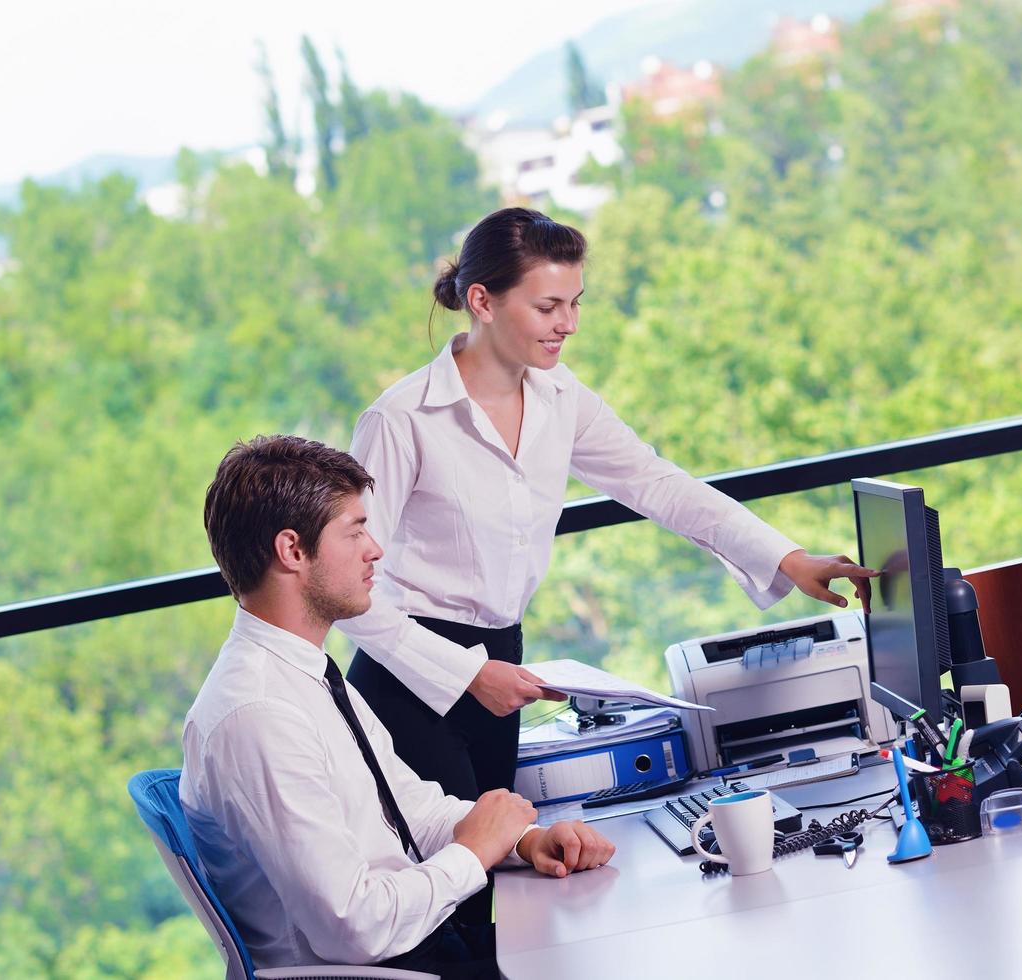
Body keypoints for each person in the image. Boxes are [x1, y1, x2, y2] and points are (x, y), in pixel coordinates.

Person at [338, 207, 875, 805]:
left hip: (503, 663)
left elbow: (657, 483)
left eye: (575, 303)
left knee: (499, 878)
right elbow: (346, 594)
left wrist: (786, 558)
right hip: (409, 676)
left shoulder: (562, 399)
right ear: (483, 301)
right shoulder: (401, 419)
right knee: (457, 879)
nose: (567, 324)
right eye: (547, 307)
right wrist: (466, 675)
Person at [180, 434, 614, 978]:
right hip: (387, 967)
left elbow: (414, 810)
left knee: (600, 938)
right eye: (355, 530)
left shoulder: (307, 673)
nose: (375, 549)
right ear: (292, 551)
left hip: (423, 947)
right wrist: (473, 854)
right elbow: (354, 928)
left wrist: (522, 840)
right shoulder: (257, 715)